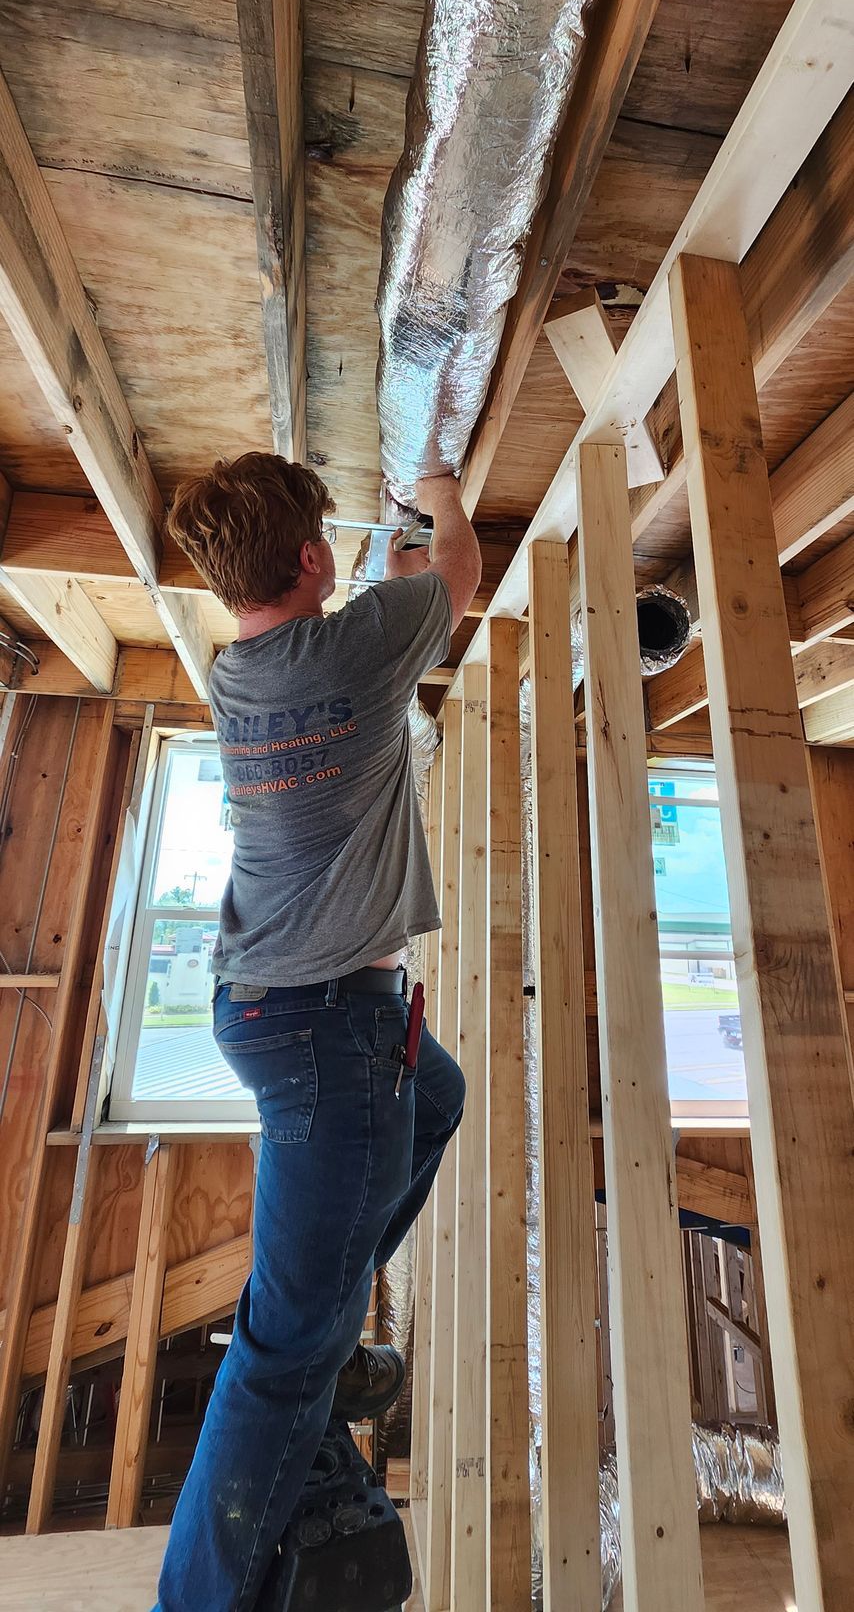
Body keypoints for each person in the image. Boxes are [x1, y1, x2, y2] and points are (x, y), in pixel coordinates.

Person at [153, 452, 481, 1612]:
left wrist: (385, 578)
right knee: (279, 1356)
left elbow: (381, 622)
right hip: (325, 1033)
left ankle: (333, 1329)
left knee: (433, 1102)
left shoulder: (237, 670)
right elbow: (457, 568)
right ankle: (191, 1602)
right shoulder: (355, 647)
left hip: (292, 1013)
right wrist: (438, 486)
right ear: (306, 558)